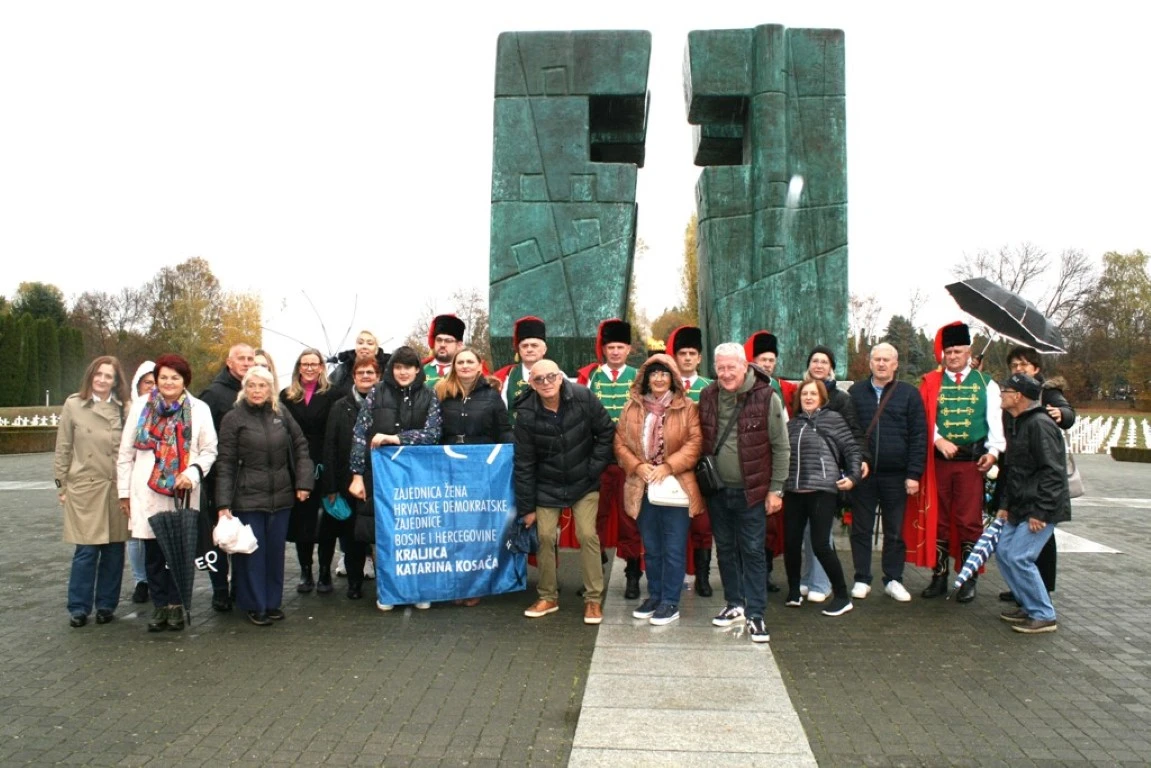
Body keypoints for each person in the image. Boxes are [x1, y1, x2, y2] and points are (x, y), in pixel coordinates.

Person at [117, 354, 218, 632]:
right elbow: (125, 453)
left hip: (182, 490)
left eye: (176, 377)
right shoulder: (140, 407)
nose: (169, 382)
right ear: (156, 380)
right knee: (153, 552)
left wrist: (194, 472)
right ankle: (160, 605)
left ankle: (176, 604)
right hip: (146, 490)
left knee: (179, 551)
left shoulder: (199, 409)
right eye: (164, 377)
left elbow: (210, 450)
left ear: (185, 380)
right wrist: (123, 492)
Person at [699, 343, 789, 643]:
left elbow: (781, 446)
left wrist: (776, 489)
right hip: (717, 491)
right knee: (724, 550)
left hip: (753, 491)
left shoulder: (766, 397)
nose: (725, 373)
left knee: (752, 551)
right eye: (720, 367)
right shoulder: (708, 395)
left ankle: (756, 614)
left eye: (731, 367)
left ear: (744, 365)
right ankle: (735, 604)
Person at [514, 359, 615, 625]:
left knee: (587, 534)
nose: (546, 383)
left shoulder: (584, 397)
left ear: (561, 377)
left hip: (584, 481)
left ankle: (593, 600)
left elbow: (606, 433)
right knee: (545, 536)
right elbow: (523, 462)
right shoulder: (525, 413)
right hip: (547, 484)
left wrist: (593, 469)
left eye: (551, 377)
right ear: (532, 384)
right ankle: (548, 596)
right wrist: (526, 508)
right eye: (539, 379)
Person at [912, 322, 1005, 603]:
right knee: (937, 519)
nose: (952, 356)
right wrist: (938, 439)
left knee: (969, 521)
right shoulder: (931, 382)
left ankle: (967, 578)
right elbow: (923, 418)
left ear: (969, 351)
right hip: (939, 463)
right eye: (948, 351)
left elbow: (995, 424)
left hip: (971, 464)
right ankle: (938, 577)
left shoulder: (986, 384)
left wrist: (994, 452)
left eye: (957, 351)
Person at [214, 366, 314, 625]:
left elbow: (301, 445)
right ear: (244, 389)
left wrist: (304, 482)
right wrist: (223, 502)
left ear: (271, 389)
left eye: (262, 386)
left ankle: (272, 602)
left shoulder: (281, 414)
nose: (257, 391)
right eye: (251, 385)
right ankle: (254, 604)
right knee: (252, 554)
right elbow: (224, 462)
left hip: (281, 496)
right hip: (247, 497)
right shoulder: (233, 418)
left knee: (275, 552)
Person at [348, 346, 443, 611]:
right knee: (382, 535)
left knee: (417, 534)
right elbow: (359, 433)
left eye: (408, 367)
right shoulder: (377, 393)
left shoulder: (429, 395)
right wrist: (356, 475)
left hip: (416, 478)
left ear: (417, 370)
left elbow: (433, 434)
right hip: (379, 477)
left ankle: (418, 590)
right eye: (398, 367)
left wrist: (396, 439)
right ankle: (387, 590)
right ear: (392, 369)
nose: (403, 372)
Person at [613, 354, 704, 626]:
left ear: (673, 378)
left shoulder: (687, 407)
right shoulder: (632, 407)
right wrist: (637, 466)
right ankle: (654, 595)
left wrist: (668, 466)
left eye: (664, 374)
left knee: (674, 547)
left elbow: (695, 443)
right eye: (654, 374)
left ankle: (670, 601)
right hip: (642, 485)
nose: (659, 379)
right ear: (645, 378)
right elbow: (619, 443)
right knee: (651, 547)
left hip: (675, 486)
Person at [846, 343, 928, 602]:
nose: (881, 364)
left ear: (895, 364)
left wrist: (914, 473)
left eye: (886, 360)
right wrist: (854, 463)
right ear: (870, 363)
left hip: (897, 474)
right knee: (861, 528)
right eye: (877, 359)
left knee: (895, 530)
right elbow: (849, 431)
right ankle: (861, 578)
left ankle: (893, 578)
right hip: (865, 473)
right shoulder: (856, 392)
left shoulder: (909, 394)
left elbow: (918, 435)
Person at [54, 356, 131, 628]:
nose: (102, 380)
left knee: (113, 550)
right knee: (86, 550)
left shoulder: (125, 409)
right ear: (90, 376)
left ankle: (106, 605)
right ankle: (78, 607)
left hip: (115, 488)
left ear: (115, 381)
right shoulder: (74, 404)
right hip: (85, 487)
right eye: (98, 374)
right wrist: (61, 485)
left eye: (108, 376)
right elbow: (63, 446)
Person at [997, 346, 1076, 603]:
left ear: (1036, 368)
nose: (1019, 369)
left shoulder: (1045, 396)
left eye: (1024, 364)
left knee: (1031, 543)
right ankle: (1025, 593)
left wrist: (1059, 413)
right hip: (1018, 474)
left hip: (1039, 483)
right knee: (1010, 549)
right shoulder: (1013, 401)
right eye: (1015, 365)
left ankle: (1039, 599)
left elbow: (1067, 414)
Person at [435, 347, 513, 606]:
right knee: (452, 528)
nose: (465, 366)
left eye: (470, 361)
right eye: (461, 362)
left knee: (475, 529)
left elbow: (504, 432)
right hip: (449, 467)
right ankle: (454, 581)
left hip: (480, 470)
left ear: (480, 366)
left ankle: (474, 584)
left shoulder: (492, 397)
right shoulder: (441, 393)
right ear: (454, 366)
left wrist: (512, 461)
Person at [796, 345, 870, 603]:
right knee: (807, 531)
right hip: (804, 475)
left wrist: (858, 463)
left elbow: (853, 435)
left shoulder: (841, 399)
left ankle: (822, 582)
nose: (819, 365)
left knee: (822, 533)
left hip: (830, 474)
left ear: (831, 367)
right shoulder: (802, 395)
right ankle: (808, 578)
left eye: (824, 361)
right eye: (814, 361)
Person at [784, 379, 863, 617]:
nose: (808, 397)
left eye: (813, 394)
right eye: (804, 394)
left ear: (821, 397)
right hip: (794, 491)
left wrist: (853, 476)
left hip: (822, 490)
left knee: (820, 544)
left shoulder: (833, 419)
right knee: (791, 544)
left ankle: (841, 596)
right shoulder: (792, 424)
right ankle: (794, 590)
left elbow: (851, 449)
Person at [577, 319, 642, 599]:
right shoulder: (591, 377)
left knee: (631, 519)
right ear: (603, 349)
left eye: (620, 347)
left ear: (628, 349)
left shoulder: (640, 376)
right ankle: (595, 574)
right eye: (610, 347)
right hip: (599, 460)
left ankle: (632, 575)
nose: (615, 352)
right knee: (596, 518)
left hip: (630, 461)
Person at [198, 343, 255, 611]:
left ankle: (240, 586)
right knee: (219, 534)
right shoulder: (214, 394)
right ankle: (220, 588)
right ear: (229, 363)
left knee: (243, 533)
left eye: (250, 358)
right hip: (219, 476)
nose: (246, 362)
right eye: (240, 359)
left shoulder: (256, 390)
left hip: (248, 477)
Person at [280, 348, 338, 594]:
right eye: (305, 364)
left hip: (325, 462)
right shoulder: (286, 395)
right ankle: (306, 570)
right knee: (302, 519)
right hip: (296, 463)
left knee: (327, 520)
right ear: (298, 367)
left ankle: (325, 571)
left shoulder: (334, 394)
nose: (310, 368)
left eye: (315, 363)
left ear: (322, 367)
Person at [323, 356, 380, 600]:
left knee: (377, 534)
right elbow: (330, 447)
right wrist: (331, 486)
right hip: (348, 481)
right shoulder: (340, 406)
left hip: (379, 479)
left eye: (370, 372)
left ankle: (384, 582)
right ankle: (355, 583)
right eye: (361, 372)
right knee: (352, 535)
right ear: (354, 377)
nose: (366, 376)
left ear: (378, 376)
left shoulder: (385, 404)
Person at [745, 330, 794, 595]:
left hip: (772, 464)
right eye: (763, 359)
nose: (767, 364)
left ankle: (765, 573)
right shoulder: (744, 386)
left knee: (771, 525)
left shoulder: (780, 388)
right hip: (749, 465)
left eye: (771, 360)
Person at [667, 325, 714, 595]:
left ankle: (703, 576)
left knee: (702, 524)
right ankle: (678, 572)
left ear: (699, 358)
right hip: (672, 466)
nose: (686, 358)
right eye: (682, 353)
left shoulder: (710, 387)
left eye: (692, 353)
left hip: (700, 468)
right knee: (674, 524)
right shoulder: (666, 387)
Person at [126, 360, 156, 605]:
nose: (152, 387)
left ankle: (157, 578)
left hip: (157, 479)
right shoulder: (130, 410)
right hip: (134, 479)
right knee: (136, 534)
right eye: (148, 382)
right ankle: (141, 580)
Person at [492, 316, 548, 409]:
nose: (529, 349)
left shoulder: (557, 375)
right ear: (518, 350)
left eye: (534, 345)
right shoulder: (504, 377)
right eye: (525, 346)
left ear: (544, 349)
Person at [328, 330, 391, 396]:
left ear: (376, 349)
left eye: (370, 343)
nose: (364, 346)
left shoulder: (387, 369)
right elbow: (327, 393)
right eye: (360, 343)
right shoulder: (344, 368)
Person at [423, 314, 466, 390]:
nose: (442, 345)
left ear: (459, 345)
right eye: (439, 340)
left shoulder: (467, 370)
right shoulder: (420, 370)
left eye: (448, 341)